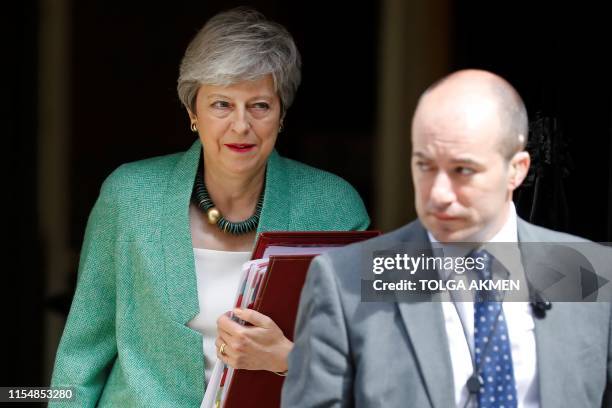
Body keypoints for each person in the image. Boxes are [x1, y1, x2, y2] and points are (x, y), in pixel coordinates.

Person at [50, 7, 369, 407]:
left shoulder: (333, 209)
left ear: (282, 115)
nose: (240, 125)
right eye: (221, 104)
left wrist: (286, 358)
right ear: (193, 112)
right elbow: (81, 358)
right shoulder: (128, 198)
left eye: (260, 105)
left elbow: (369, 363)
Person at [282, 69, 612, 407]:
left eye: (462, 170)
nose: (438, 194)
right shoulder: (348, 280)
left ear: (517, 169)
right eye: (424, 166)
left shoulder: (582, 269)